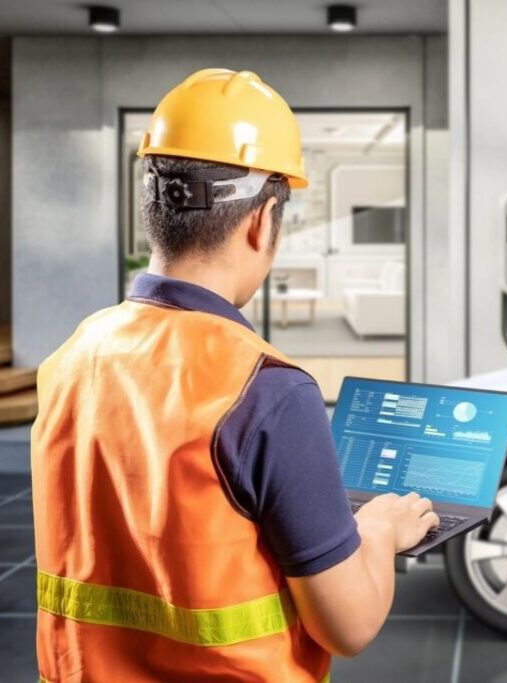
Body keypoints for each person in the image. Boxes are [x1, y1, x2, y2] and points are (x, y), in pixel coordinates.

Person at [30, 68, 438, 682]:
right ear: (262, 221)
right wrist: (378, 529)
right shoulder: (266, 390)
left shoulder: (74, 355)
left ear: (153, 211)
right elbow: (348, 625)